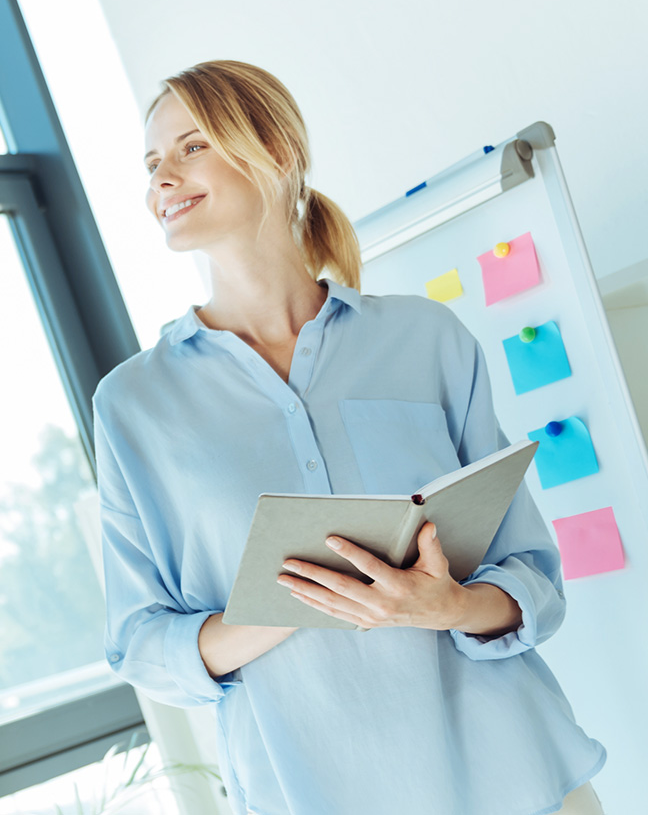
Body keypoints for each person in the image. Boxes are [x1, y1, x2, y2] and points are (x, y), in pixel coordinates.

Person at [93, 60, 604, 814]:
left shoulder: (427, 339)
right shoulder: (134, 403)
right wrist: (282, 605)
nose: (159, 181)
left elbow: (531, 577)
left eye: (190, 148)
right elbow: (140, 643)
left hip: (520, 777)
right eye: (151, 164)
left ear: (274, 150)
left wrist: (447, 607)